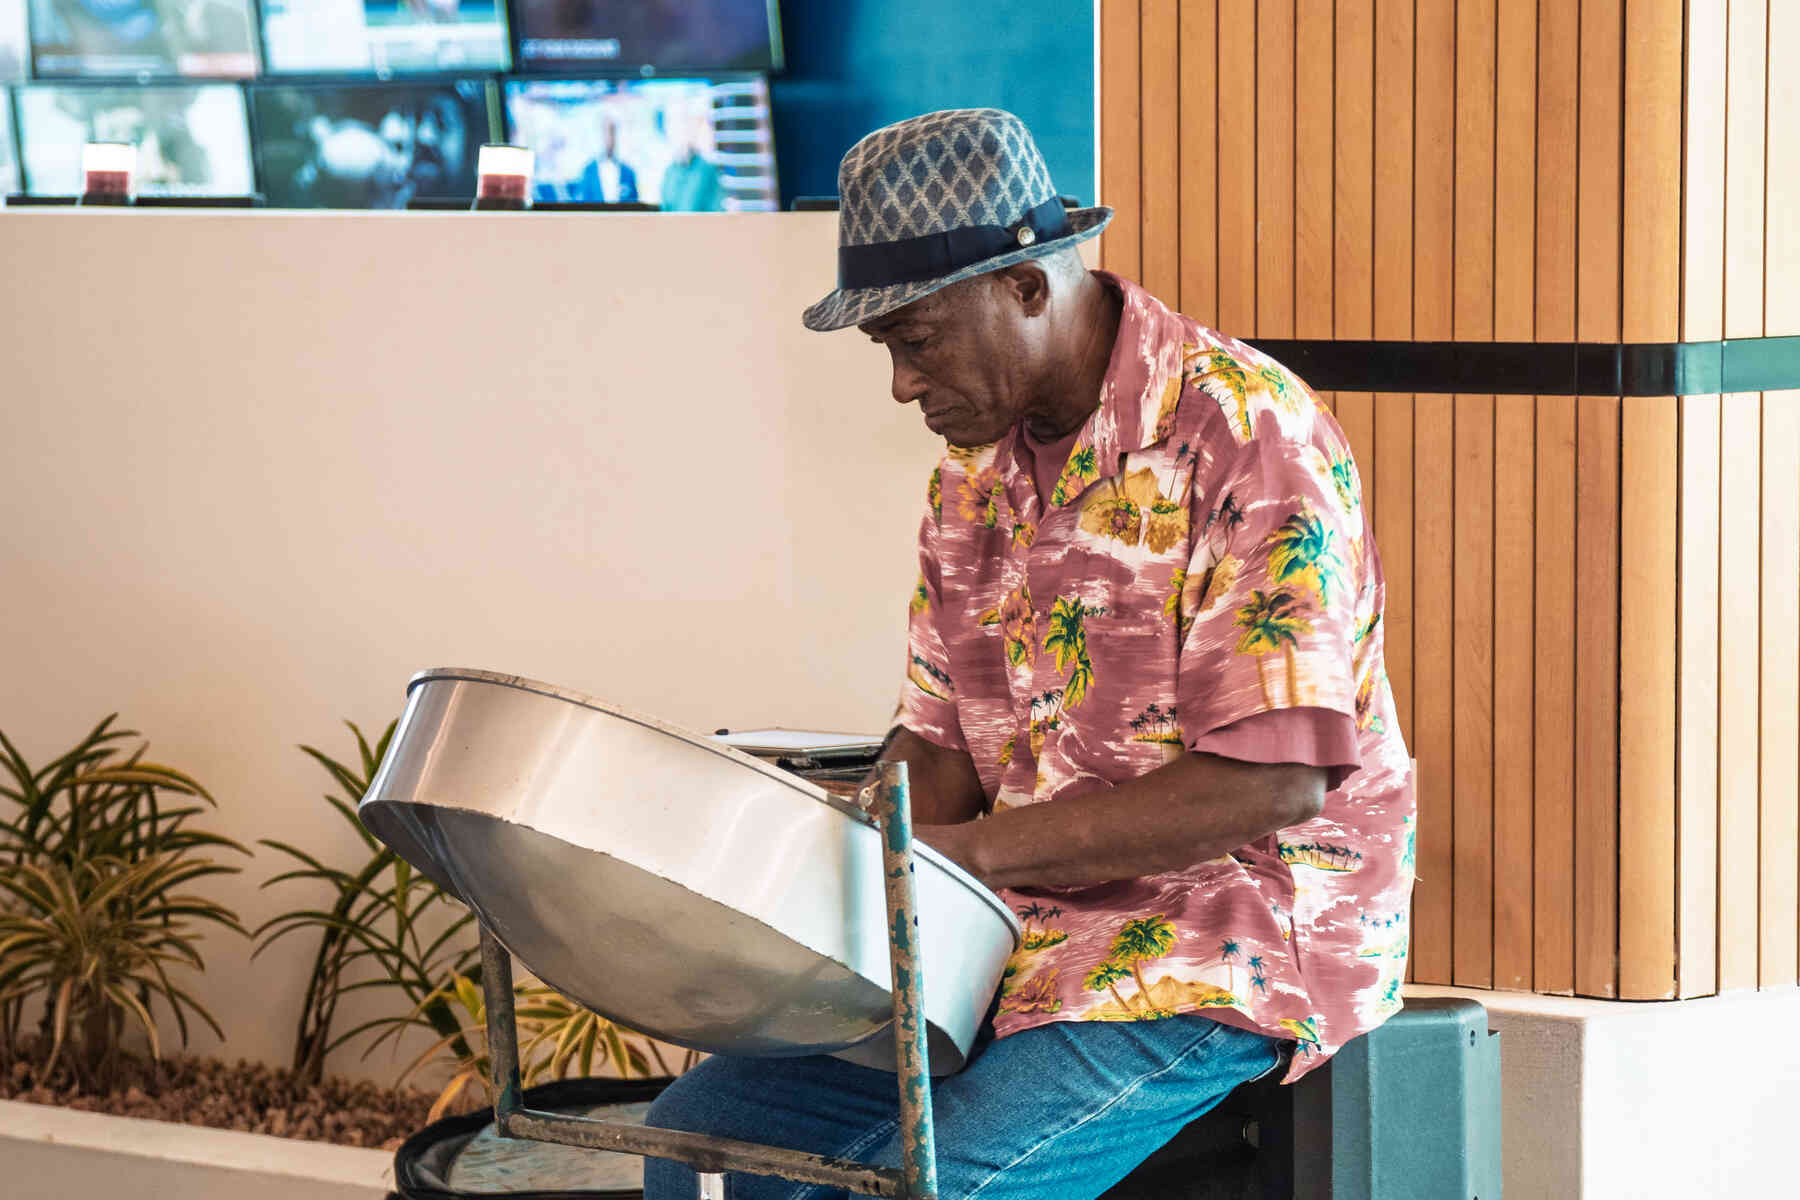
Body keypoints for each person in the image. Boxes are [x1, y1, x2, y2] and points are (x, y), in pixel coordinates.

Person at [644, 108, 1415, 1200]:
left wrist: (970, 861)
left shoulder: (1248, 435)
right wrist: (858, 869)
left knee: (929, 1188)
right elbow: (939, 735)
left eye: (916, 343)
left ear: (1026, 287)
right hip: (1016, 934)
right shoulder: (971, 471)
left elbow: (1279, 777)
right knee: (699, 1152)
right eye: (888, 352)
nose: (902, 386)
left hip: (1216, 939)